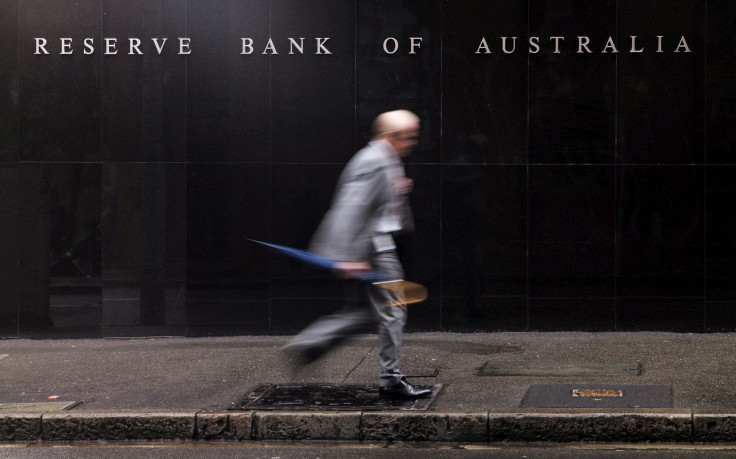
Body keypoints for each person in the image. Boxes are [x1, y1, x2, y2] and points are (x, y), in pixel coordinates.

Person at [283, 110, 431, 398]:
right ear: (390, 135)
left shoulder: (382, 158)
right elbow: (351, 208)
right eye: (408, 137)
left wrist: (396, 188)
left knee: (380, 311)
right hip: (374, 247)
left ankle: (313, 340)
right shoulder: (374, 161)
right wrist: (348, 256)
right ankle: (390, 380)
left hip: (376, 245)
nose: (412, 143)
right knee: (393, 310)